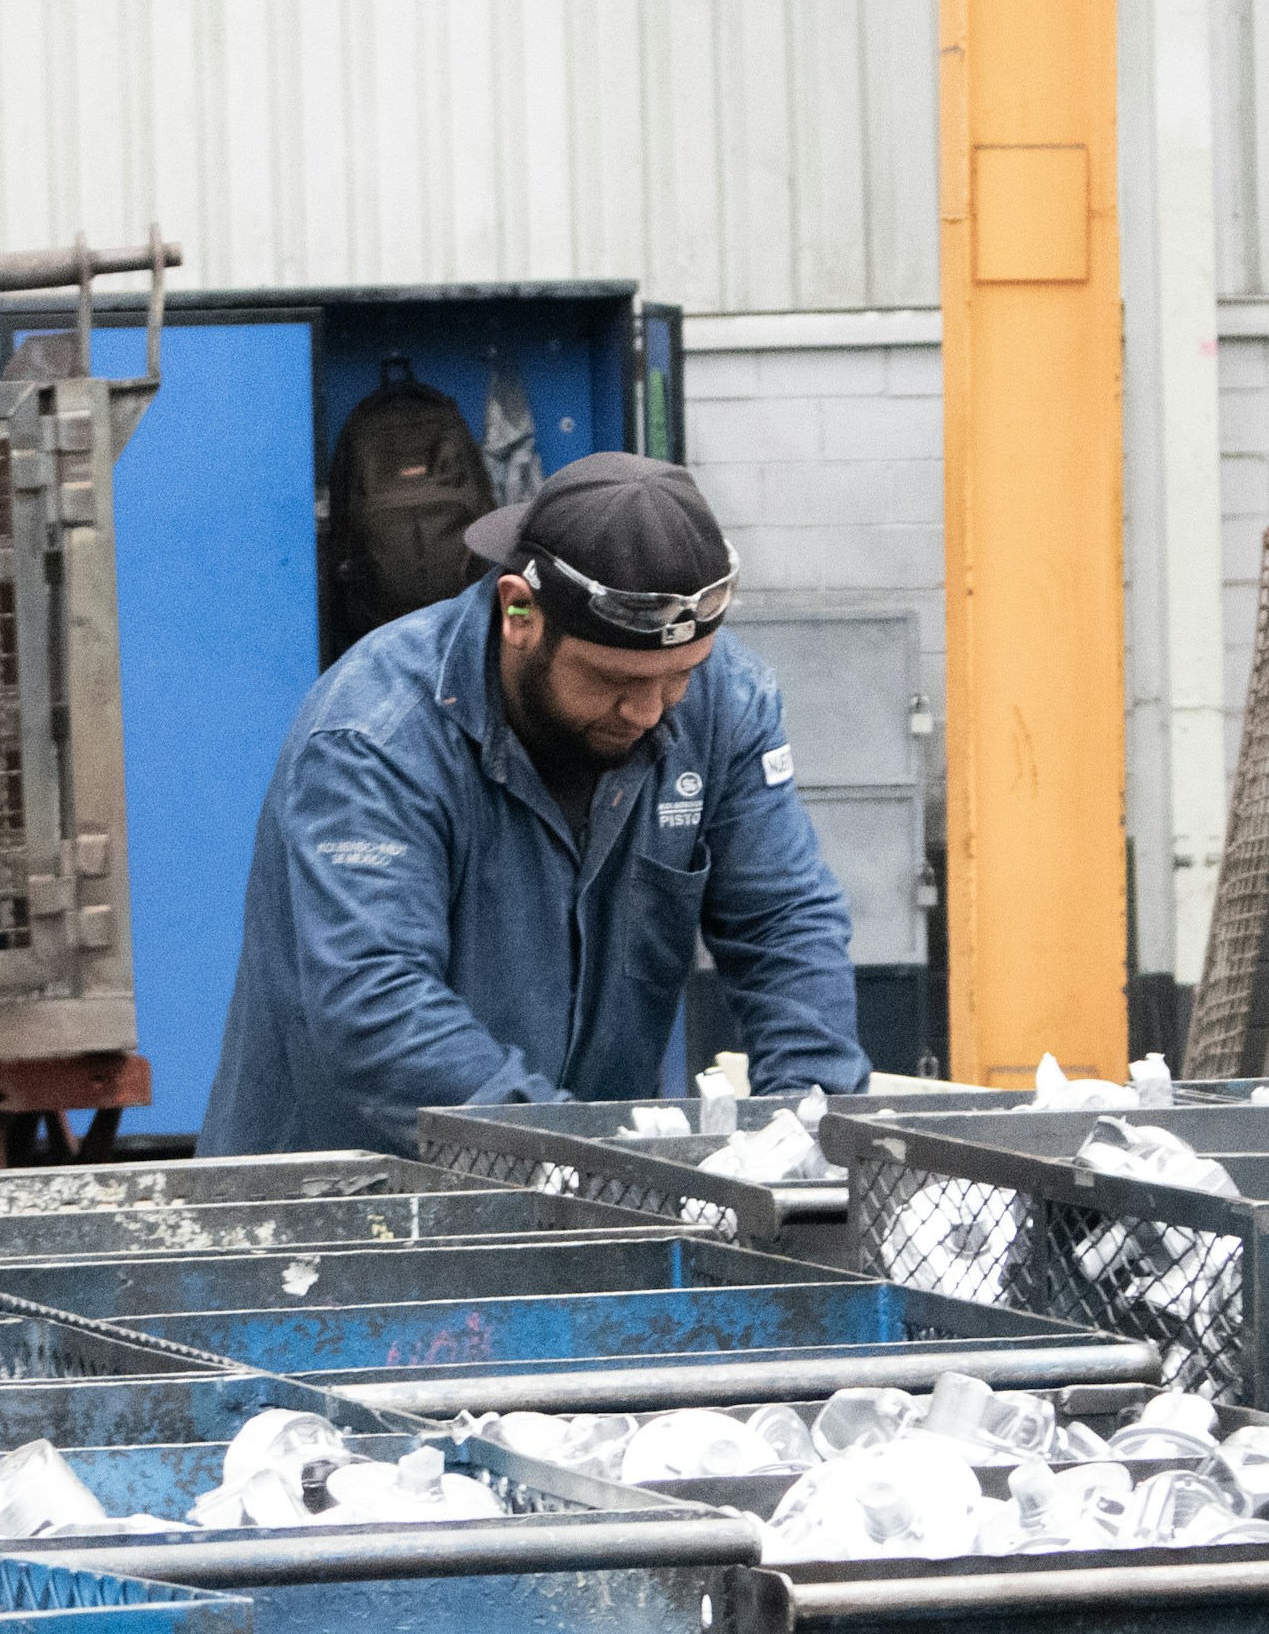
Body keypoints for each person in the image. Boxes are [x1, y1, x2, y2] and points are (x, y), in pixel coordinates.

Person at [203, 449, 867, 1156]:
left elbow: (782, 922)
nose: (649, 710)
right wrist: (577, 1157)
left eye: (679, 675)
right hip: (338, 1210)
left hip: (583, 1190)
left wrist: (808, 1126)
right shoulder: (376, 736)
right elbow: (375, 1002)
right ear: (519, 610)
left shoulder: (724, 702)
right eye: (613, 677)